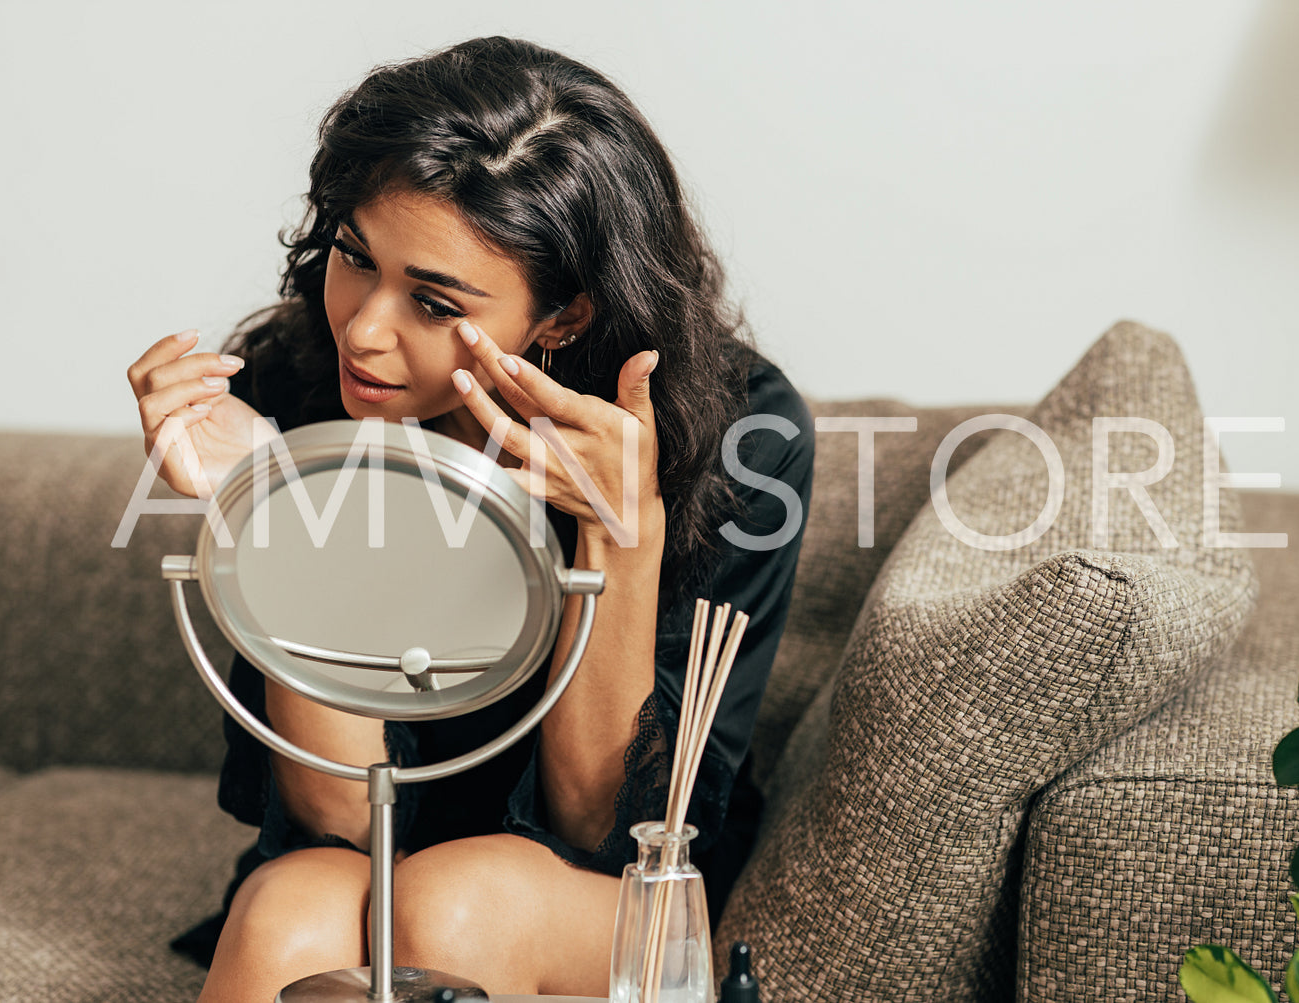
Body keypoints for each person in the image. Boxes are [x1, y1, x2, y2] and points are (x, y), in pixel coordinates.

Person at [125, 36, 812, 1002]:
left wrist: (624, 527)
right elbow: (338, 811)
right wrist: (283, 498)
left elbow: (597, 826)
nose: (364, 327)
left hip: (612, 890)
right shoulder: (293, 378)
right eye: (355, 257)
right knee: (291, 905)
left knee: (455, 900)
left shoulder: (740, 434)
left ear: (564, 317)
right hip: (371, 852)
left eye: (434, 301)